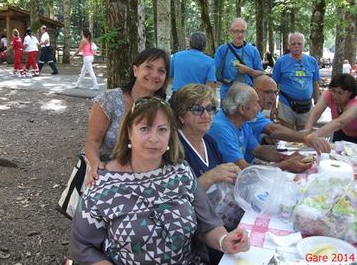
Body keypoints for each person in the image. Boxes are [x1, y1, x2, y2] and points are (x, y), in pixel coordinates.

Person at [69, 96, 250, 264]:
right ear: (129, 133)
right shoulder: (102, 184)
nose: (154, 139)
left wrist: (224, 240)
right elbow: (82, 247)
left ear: (170, 135)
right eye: (145, 129)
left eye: (162, 130)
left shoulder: (181, 172)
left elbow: (208, 224)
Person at [173, 84, 243, 263]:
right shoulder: (175, 149)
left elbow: (220, 181)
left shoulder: (209, 141)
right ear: (181, 115)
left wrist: (232, 176)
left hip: (219, 217)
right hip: (195, 231)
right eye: (197, 109)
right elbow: (174, 198)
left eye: (211, 109)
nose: (206, 115)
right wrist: (210, 177)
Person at [84, 48, 171, 185]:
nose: (155, 74)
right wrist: (95, 163)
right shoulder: (109, 100)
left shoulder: (163, 108)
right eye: (149, 67)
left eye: (161, 71)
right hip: (108, 176)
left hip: (148, 178)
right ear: (135, 70)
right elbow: (92, 141)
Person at [208, 83, 312, 173]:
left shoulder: (240, 122)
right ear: (242, 109)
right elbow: (244, 170)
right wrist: (285, 165)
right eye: (255, 103)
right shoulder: (221, 129)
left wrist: (286, 158)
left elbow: (258, 150)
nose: (258, 108)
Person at [245, 75, 330, 161]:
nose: (273, 97)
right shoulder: (250, 113)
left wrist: (264, 139)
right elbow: (274, 130)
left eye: (275, 93)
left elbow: (256, 148)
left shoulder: (255, 113)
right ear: (254, 90)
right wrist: (306, 138)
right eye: (268, 92)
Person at [272, 32, 320, 130]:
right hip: (286, 104)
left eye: (299, 43)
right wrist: (273, 107)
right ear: (289, 45)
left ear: (304, 45)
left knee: (304, 136)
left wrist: (317, 102)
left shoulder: (312, 61)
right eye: (293, 44)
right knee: (287, 135)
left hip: (306, 105)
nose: (296, 46)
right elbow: (273, 85)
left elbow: (315, 83)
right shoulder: (281, 62)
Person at [214, 18, 264, 100]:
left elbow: (261, 73)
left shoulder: (253, 50)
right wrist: (231, 83)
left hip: (247, 96)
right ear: (230, 32)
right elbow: (215, 73)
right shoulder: (222, 50)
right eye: (236, 31)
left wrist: (248, 70)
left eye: (242, 31)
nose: (240, 34)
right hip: (227, 95)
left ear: (245, 32)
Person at [305, 73, 357, 144]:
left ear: (350, 93)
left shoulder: (355, 103)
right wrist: (306, 132)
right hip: (341, 131)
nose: (335, 96)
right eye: (333, 91)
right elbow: (315, 113)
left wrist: (315, 134)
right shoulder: (329, 94)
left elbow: (340, 122)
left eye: (340, 93)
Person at [169, 32, 216, 105]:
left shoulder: (176, 56)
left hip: (178, 95)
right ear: (204, 45)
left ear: (190, 43)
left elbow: (168, 76)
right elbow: (210, 85)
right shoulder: (210, 61)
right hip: (197, 97)